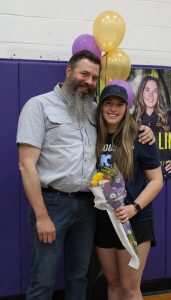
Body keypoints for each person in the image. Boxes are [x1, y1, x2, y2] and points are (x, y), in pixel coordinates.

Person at [16, 50, 155, 300]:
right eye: (84, 74)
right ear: (69, 71)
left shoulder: (94, 111)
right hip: (52, 204)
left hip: (88, 207)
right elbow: (26, 165)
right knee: (43, 279)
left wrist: (145, 131)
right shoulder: (39, 106)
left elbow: (122, 125)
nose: (88, 81)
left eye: (93, 77)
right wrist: (41, 216)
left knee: (80, 276)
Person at [95, 84, 163, 300]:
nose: (113, 109)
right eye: (108, 103)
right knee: (113, 284)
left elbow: (156, 181)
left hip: (135, 221)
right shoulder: (93, 135)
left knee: (129, 287)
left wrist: (134, 208)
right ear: (101, 107)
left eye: (119, 104)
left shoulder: (140, 136)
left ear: (127, 108)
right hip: (104, 220)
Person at [134, 75, 171, 177]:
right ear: (141, 93)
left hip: (164, 177)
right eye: (147, 90)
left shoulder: (169, 117)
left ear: (159, 95)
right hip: (140, 179)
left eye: (155, 91)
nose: (151, 95)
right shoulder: (132, 119)